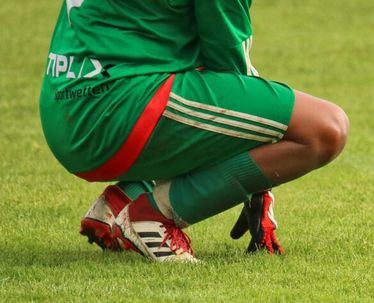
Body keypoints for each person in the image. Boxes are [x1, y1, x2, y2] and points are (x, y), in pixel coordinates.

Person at [40, 0, 349, 262]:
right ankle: (152, 215)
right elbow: (229, 67)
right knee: (323, 129)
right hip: (120, 110)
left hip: (64, 109)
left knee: (195, 74)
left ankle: (123, 199)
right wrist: (259, 179)